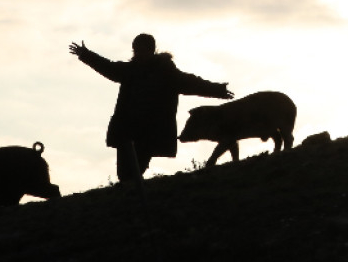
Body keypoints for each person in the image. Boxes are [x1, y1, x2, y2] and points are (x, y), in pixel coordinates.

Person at [69, 34, 233, 182]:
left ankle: (137, 201)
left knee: (135, 171)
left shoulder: (166, 73)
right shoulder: (130, 71)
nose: (138, 54)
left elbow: (193, 83)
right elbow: (108, 67)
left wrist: (218, 90)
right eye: (135, 50)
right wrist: (86, 55)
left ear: (151, 50)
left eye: (141, 50)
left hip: (149, 133)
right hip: (127, 130)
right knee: (124, 174)